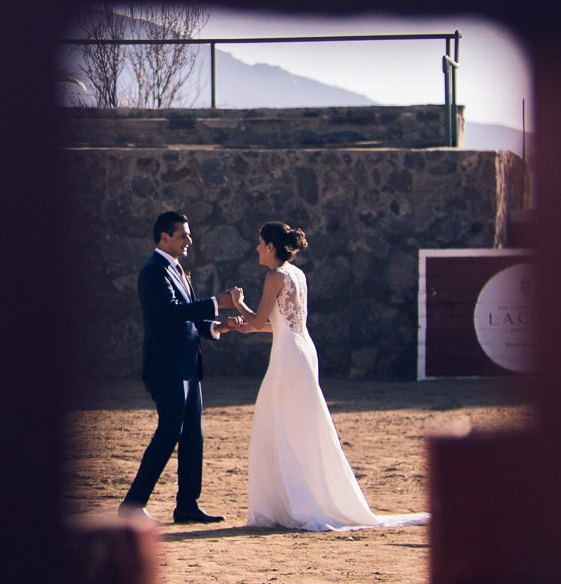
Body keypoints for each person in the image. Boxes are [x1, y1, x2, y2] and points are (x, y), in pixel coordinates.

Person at [224, 221, 428, 531]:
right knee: (297, 425)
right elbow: (281, 323)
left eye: (259, 242)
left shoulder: (275, 276)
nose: (256, 248)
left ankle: (297, 503)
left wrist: (238, 303)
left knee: (280, 424)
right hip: (301, 349)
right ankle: (299, 499)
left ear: (270, 247)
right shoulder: (297, 275)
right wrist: (249, 324)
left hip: (289, 356)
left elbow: (259, 321)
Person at [120, 210, 240, 524]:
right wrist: (217, 302)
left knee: (191, 437)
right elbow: (171, 313)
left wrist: (216, 327)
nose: (189, 240)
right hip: (166, 368)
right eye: (183, 235)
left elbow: (186, 318)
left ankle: (187, 506)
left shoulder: (175, 269)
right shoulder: (153, 271)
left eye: (188, 234)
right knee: (169, 432)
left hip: (187, 366)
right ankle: (132, 506)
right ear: (164, 238)